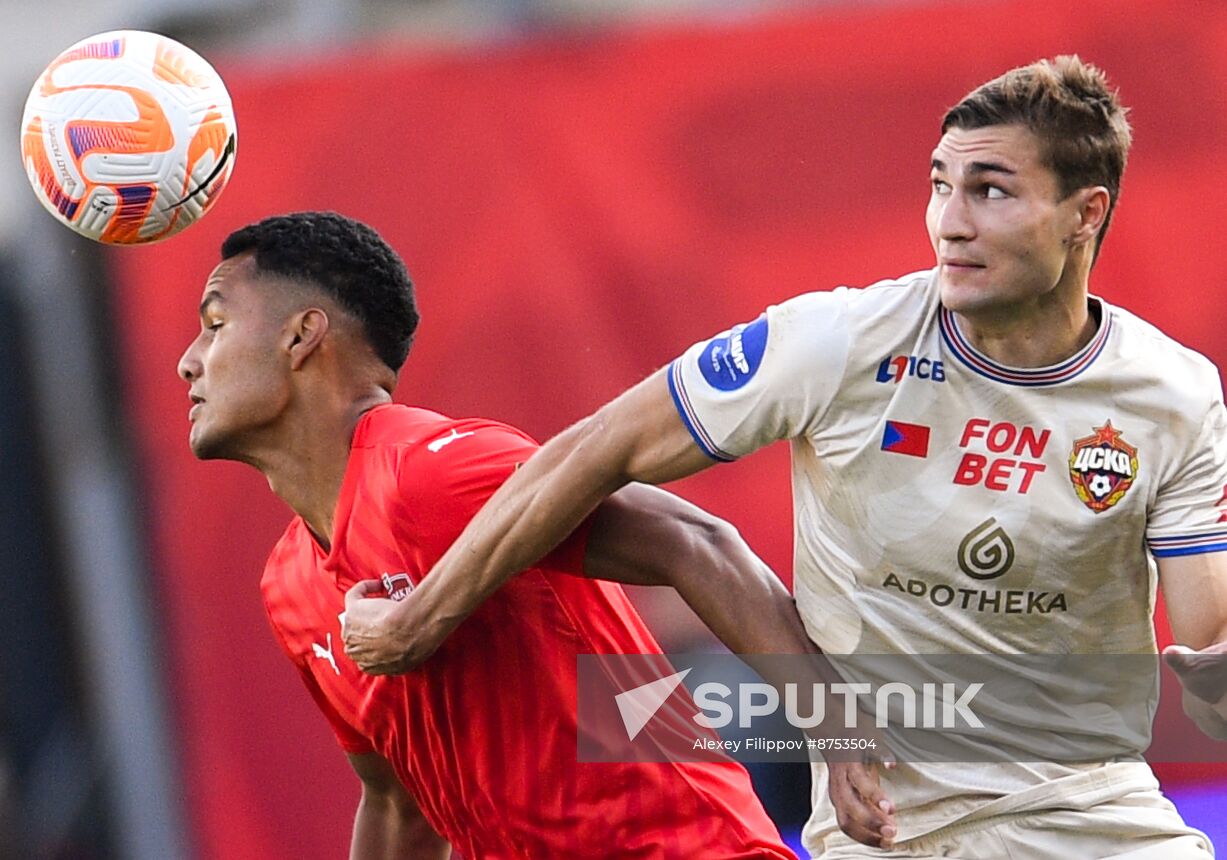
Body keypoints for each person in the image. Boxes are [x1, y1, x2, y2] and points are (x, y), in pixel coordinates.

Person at [341, 56, 1227, 859]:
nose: (949, 223)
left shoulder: (1172, 395)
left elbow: (1206, 635)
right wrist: (425, 616)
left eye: (990, 191)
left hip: (1096, 819)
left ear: (1086, 214)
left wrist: (1220, 677)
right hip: (893, 831)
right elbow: (591, 451)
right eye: (938, 185)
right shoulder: (837, 340)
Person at [176, 210, 852, 858]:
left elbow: (694, 539)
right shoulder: (287, 584)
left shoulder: (429, 470)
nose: (189, 361)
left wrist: (839, 742)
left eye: (215, 324)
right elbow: (397, 803)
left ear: (301, 337)